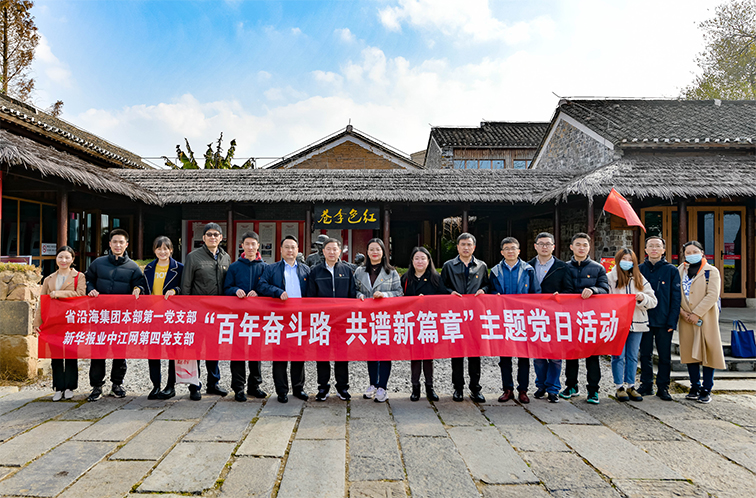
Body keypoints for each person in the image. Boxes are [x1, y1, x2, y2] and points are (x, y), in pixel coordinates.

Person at [84, 229, 147, 402]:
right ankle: (96, 386)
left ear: (126, 245)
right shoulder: (98, 263)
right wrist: (91, 289)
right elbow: (87, 279)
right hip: (100, 315)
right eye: (115, 242)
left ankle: (117, 384)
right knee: (98, 350)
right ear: (110, 244)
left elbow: (140, 284)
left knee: (119, 350)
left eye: (121, 242)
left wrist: (138, 289)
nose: (118, 245)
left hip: (122, 316)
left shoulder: (133, 267)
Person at [181, 222, 231, 401]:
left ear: (221, 238)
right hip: (198, 312)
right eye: (209, 234)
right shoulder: (193, 257)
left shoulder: (226, 257)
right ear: (203, 238)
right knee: (195, 349)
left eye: (216, 234)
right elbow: (186, 286)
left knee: (213, 349)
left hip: (217, 313)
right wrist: (187, 312)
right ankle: (194, 385)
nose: (213, 237)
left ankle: (213, 383)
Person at [258, 235, 311, 403]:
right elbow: (261, 285)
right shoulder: (272, 269)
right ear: (281, 250)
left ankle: (298, 388)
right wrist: (277, 291)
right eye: (286, 247)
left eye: (293, 247)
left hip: (300, 318)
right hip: (279, 318)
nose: (290, 250)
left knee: (299, 354)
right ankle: (281, 390)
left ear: (298, 250)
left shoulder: (305, 269)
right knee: (280, 355)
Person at [561, 232, 610, 404]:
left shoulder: (598, 268)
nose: (581, 248)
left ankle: (593, 390)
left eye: (585, 245)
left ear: (589, 248)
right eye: (578, 244)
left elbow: (605, 289)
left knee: (592, 355)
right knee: (571, 354)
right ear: (571, 247)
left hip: (591, 318)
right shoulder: (564, 267)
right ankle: (571, 386)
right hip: (570, 317)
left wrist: (594, 290)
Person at [490, 237, 540, 404]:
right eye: (507, 248)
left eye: (513, 248)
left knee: (523, 356)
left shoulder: (528, 270)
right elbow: (490, 291)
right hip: (503, 318)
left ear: (519, 251)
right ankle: (507, 389)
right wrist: (494, 296)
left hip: (523, 318)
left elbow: (536, 293)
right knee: (504, 356)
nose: (510, 251)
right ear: (502, 252)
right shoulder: (495, 271)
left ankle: (523, 390)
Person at [307, 238, 356, 401]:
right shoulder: (315, 271)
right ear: (323, 251)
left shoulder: (347, 270)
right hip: (322, 321)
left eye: (335, 249)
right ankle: (323, 387)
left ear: (340, 251)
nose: (332, 252)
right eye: (328, 249)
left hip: (342, 321)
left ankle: (342, 387)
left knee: (342, 355)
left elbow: (352, 295)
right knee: (322, 355)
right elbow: (310, 297)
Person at [34, 246, 86, 401]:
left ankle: (70, 387)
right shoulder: (48, 279)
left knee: (70, 354)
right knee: (55, 356)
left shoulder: (79, 276)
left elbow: (80, 294)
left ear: (72, 259)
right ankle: (58, 387)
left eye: (67, 257)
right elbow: (42, 302)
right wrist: (37, 321)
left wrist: (59, 294)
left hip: (71, 321)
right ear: (56, 259)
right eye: (60, 257)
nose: (64, 260)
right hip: (53, 321)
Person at [442, 232, 489, 403]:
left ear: (474, 247)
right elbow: (442, 286)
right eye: (463, 244)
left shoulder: (481, 266)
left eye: (469, 244)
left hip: (475, 315)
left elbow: (487, 285)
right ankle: (458, 388)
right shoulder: (449, 266)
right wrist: (450, 293)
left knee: (475, 353)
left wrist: (483, 290)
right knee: (457, 352)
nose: (466, 247)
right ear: (457, 247)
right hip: (455, 315)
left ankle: (475, 388)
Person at [528, 232, 575, 403]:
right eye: (541, 244)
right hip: (535, 315)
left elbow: (570, 290)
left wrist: (560, 296)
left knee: (555, 356)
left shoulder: (562, 267)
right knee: (539, 356)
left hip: (556, 316)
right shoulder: (528, 266)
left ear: (553, 247)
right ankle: (541, 385)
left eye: (548, 244)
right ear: (535, 246)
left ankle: (553, 389)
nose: (544, 247)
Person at [354, 238, 403, 403]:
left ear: (383, 252)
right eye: (371, 249)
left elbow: (399, 293)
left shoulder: (391, 272)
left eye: (378, 249)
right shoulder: (360, 271)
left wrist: (385, 295)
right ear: (367, 252)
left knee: (384, 352)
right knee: (371, 352)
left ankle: (383, 387)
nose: (375, 252)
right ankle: (372, 384)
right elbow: (353, 289)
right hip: (367, 318)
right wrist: (359, 295)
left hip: (385, 319)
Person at [678, 240, 726, 404]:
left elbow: (712, 295)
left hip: (705, 318)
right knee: (689, 351)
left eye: (695, 252)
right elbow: (675, 293)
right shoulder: (680, 270)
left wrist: (697, 313)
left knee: (708, 351)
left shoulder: (711, 271)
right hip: (685, 317)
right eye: (688, 252)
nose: (691, 255)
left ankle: (706, 388)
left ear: (702, 252)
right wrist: (682, 312)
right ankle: (694, 386)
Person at [607, 248, 657, 402]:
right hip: (618, 323)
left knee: (633, 355)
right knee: (618, 355)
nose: (627, 262)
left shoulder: (639, 278)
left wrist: (642, 299)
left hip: (637, 322)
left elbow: (653, 300)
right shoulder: (610, 278)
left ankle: (631, 385)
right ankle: (619, 386)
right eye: (624, 259)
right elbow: (604, 299)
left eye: (630, 260)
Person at [224, 231, 268, 402]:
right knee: (238, 352)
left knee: (256, 353)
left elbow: (268, 288)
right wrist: (235, 290)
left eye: (253, 244)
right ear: (242, 246)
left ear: (258, 246)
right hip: (238, 317)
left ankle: (254, 386)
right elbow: (226, 288)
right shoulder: (234, 267)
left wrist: (258, 292)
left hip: (257, 317)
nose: (250, 247)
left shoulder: (265, 267)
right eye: (247, 244)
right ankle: (238, 387)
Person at [638, 236, 681, 401]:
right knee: (645, 354)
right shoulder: (639, 269)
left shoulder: (671, 270)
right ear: (646, 250)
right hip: (644, 318)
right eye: (651, 246)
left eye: (657, 246)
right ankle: (646, 384)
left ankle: (663, 387)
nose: (654, 249)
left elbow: (676, 298)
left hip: (664, 320)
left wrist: (672, 320)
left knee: (664, 356)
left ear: (663, 250)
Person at [401, 247, 446, 402]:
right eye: (417, 258)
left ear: (428, 261)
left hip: (429, 322)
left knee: (428, 356)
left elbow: (443, 299)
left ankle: (430, 387)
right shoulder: (406, 278)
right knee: (415, 356)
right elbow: (400, 299)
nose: (420, 261)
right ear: (412, 261)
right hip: (412, 323)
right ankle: (415, 387)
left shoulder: (435, 277)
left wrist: (427, 301)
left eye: (423, 258)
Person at [141, 236, 183, 400]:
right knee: (153, 351)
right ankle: (156, 385)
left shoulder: (179, 268)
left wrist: (176, 291)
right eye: (159, 248)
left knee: (172, 351)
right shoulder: (149, 268)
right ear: (154, 250)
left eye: (166, 248)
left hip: (171, 316)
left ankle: (170, 386)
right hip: (153, 315)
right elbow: (144, 286)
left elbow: (185, 287)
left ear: (171, 250)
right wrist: (138, 288)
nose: (162, 252)